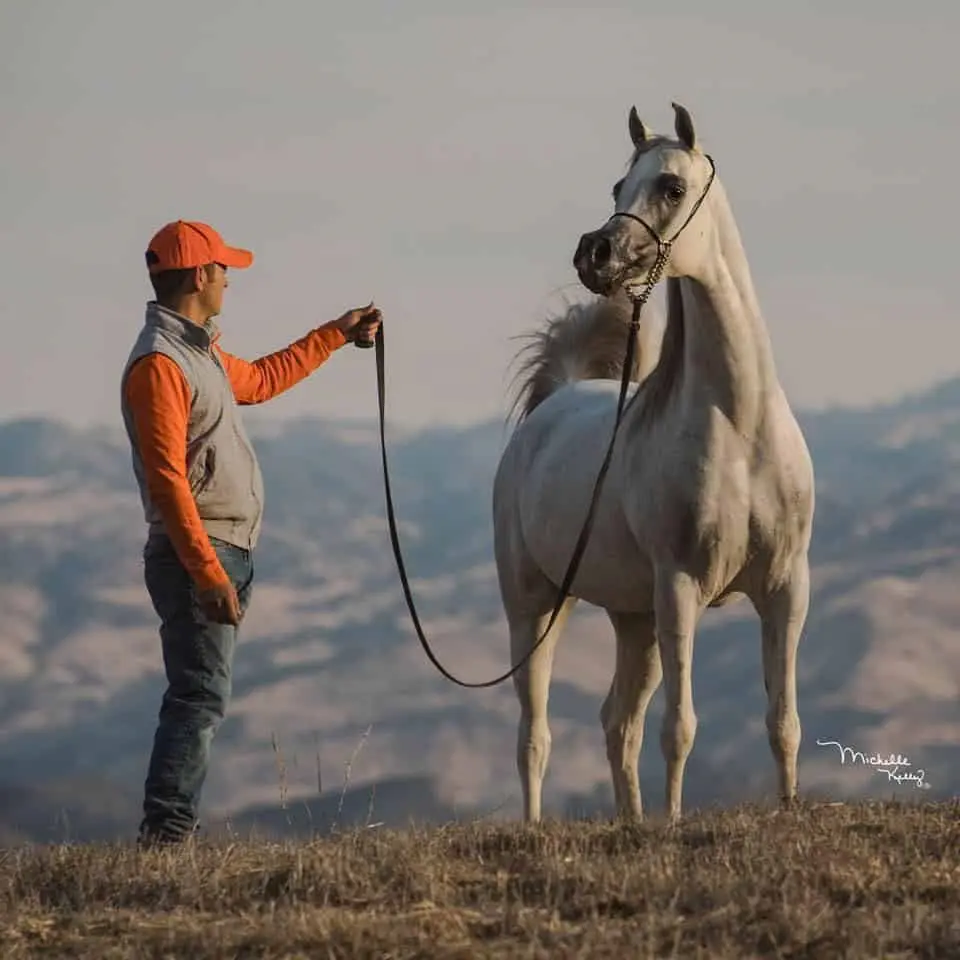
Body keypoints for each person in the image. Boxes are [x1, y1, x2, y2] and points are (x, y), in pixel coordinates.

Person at [120, 219, 381, 846]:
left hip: (217, 550)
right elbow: (167, 482)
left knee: (200, 696)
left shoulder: (196, 351)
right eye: (224, 269)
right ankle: (166, 837)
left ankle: (169, 832)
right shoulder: (160, 364)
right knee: (198, 698)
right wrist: (208, 574)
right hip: (199, 554)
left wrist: (336, 334)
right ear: (201, 275)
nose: (230, 280)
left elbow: (261, 380)